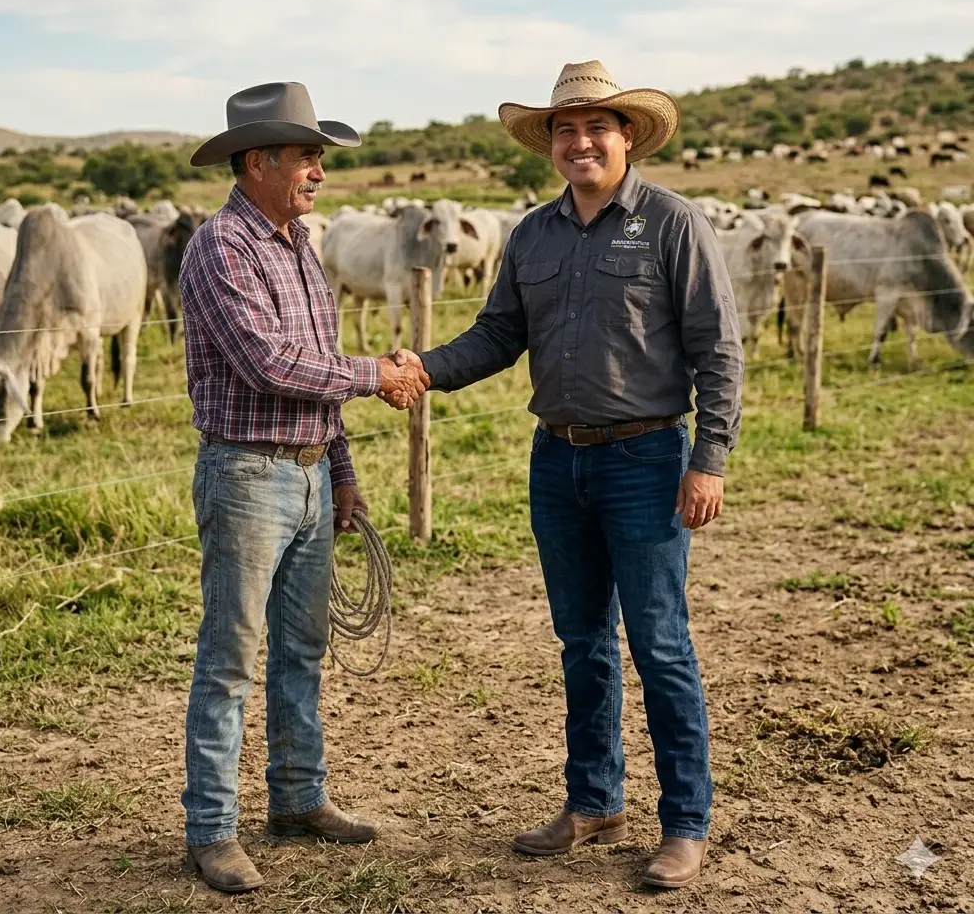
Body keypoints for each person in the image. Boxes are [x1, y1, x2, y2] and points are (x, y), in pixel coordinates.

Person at [394, 61, 744, 889]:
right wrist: (422, 368)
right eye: (565, 130)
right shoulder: (532, 235)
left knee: (658, 641)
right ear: (549, 143)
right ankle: (594, 802)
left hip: (646, 459)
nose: (580, 142)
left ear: (627, 138)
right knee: (581, 640)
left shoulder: (672, 223)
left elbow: (718, 349)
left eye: (595, 128)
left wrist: (709, 460)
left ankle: (684, 823)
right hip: (558, 459)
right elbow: (497, 335)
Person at [178, 82, 428, 893]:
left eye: (320, 157)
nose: (319, 171)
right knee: (231, 657)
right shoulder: (222, 247)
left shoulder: (298, 245)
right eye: (306, 157)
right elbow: (269, 362)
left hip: (310, 473)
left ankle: (297, 797)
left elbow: (314, 370)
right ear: (258, 162)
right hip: (248, 475)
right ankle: (212, 829)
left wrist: (342, 472)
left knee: (301, 648)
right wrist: (376, 375)